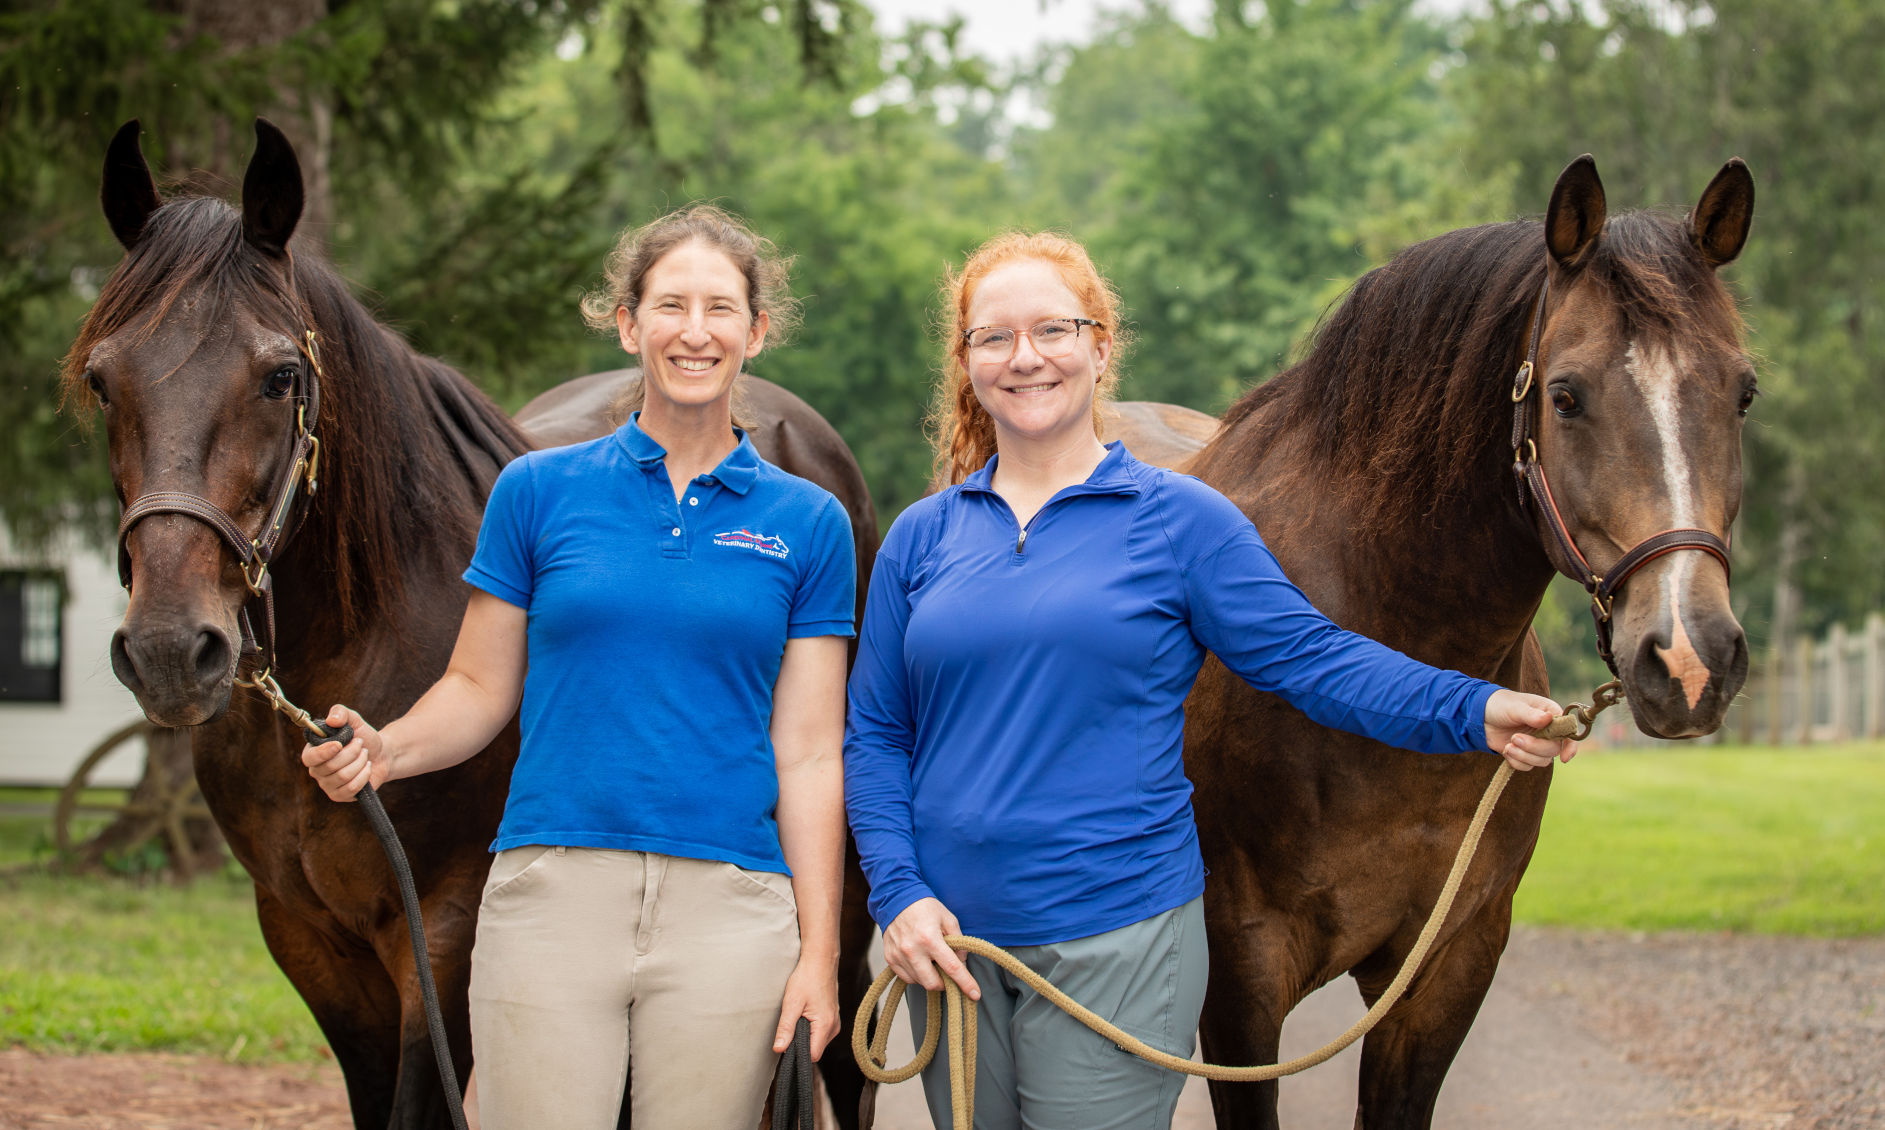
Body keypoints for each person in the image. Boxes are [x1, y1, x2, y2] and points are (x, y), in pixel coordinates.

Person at [843, 231, 1575, 1130]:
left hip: (1117, 939)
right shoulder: (922, 536)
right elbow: (876, 733)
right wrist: (901, 898)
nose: (1024, 357)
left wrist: (1476, 707)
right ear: (966, 362)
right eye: (993, 337)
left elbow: (1311, 657)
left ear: (1101, 345)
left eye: (1053, 330)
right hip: (951, 948)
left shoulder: (1184, 521)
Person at [302, 206, 855, 1128]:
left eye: (720, 308)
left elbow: (807, 754)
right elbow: (478, 688)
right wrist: (386, 750)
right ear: (627, 323)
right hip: (551, 896)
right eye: (670, 304)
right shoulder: (536, 493)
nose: (694, 330)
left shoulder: (809, 523)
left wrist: (819, 953)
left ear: (756, 332)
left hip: (731, 906)